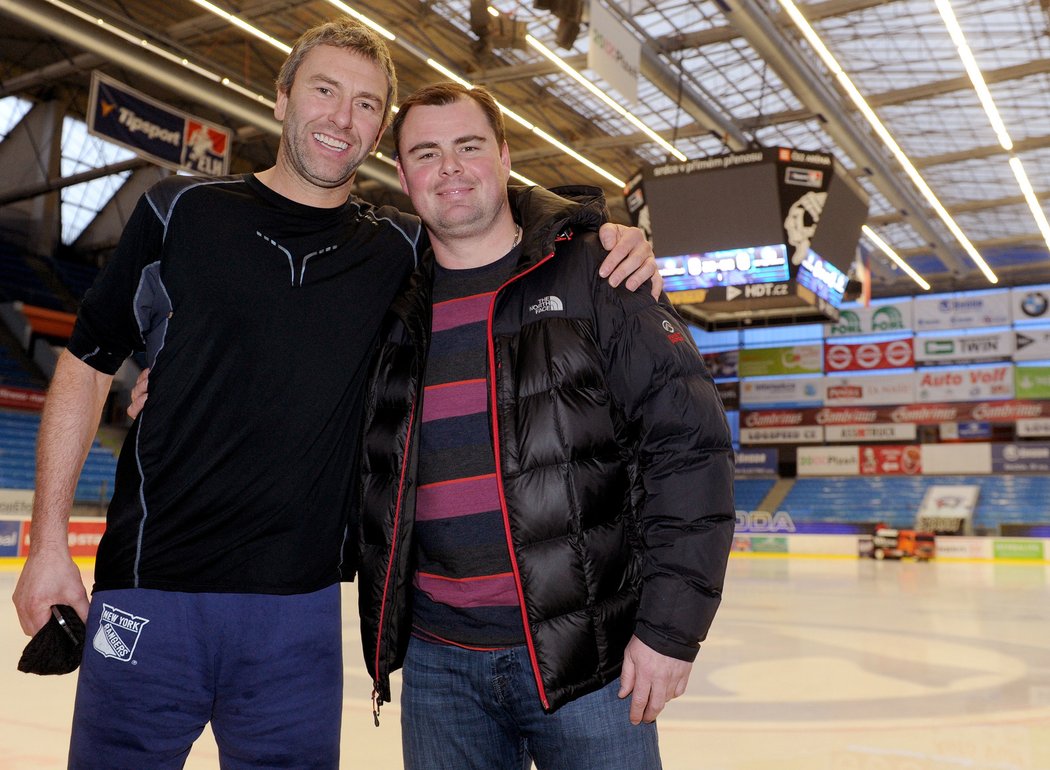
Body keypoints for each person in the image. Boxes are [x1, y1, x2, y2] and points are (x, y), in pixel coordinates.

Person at [10, 18, 659, 770]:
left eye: (365, 104)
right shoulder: (179, 211)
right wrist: (49, 540)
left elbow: (489, 215)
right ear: (282, 97)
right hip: (149, 595)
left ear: (379, 130)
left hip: (301, 615)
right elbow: (87, 364)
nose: (341, 118)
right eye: (324, 91)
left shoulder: (401, 252)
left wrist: (595, 230)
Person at [356, 82, 735, 770]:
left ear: (503, 157)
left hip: (590, 663)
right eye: (426, 153)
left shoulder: (599, 269)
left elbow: (689, 447)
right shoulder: (390, 304)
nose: (450, 167)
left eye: (468, 147)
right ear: (404, 174)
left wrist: (671, 631)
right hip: (440, 667)